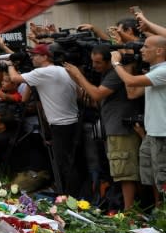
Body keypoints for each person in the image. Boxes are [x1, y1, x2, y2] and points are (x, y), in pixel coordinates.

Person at [65, 45, 143, 209]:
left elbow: (96, 94)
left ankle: (130, 214)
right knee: (120, 172)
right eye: (93, 62)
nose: (94, 66)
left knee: (125, 173)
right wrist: (75, 80)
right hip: (113, 128)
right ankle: (128, 209)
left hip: (121, 130)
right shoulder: (107, 74)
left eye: (98, 62)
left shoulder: (115, 73)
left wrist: (79, 75)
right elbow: (95, 101)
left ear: (110, 61)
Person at [8, 43, 82, 196]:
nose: (32, 58)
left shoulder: (44, 72)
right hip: (71, 121)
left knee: (64, 164)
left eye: (35, 55)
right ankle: (68, 193)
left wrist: (9, 64)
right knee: (70, 161)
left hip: (61, 124)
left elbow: (14, 78)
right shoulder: (63, 70)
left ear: (45, 57)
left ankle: (70, 197)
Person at [111, 35, 166, 202]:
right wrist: (127, 64)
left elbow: (130, 81)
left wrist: (116, 63)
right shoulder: (154, 72)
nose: (141, 50)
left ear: (159, 50)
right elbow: (132, 92)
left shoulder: (163, 71)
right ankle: (159, 212)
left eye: (146, 47)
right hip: (152, 133)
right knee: (152, 177)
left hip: (163, 134)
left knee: (163, 178)